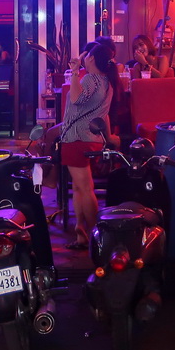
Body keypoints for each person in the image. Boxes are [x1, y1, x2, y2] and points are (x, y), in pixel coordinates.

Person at [59, 44, 119, 250]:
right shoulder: (107, 82)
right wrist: (109, 138)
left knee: (85, 188)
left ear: (91, 58)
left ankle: (97, 237)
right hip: (91, 138)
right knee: (79, 187)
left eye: (87, 55)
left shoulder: (90, 79)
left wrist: (75, 72)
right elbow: (105, 114)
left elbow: (75, 99)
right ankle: (81, 232)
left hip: (77, 139)